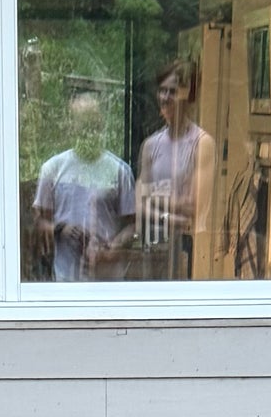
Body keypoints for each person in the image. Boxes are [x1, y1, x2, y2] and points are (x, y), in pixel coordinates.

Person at [32, 92, 134, 281]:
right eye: (82, 122)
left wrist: (110, 249)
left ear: (102, 124)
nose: (89, 130)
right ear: (71, 125)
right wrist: (62, 229)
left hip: (108, 282)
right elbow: (38, 224)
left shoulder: (120, 171)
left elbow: (132, 225)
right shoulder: (53, 169)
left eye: (93, 122)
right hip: (66, 283)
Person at [136, 57, 214, 276]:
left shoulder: (202, 143)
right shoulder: (151, 145)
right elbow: (139, 204)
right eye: (162, 91)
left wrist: (154, 196)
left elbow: (192, 207)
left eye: (172, 91)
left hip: (188, 251)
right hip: (154, 249)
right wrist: (169, 214)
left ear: (187, 93)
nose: (165, 97)